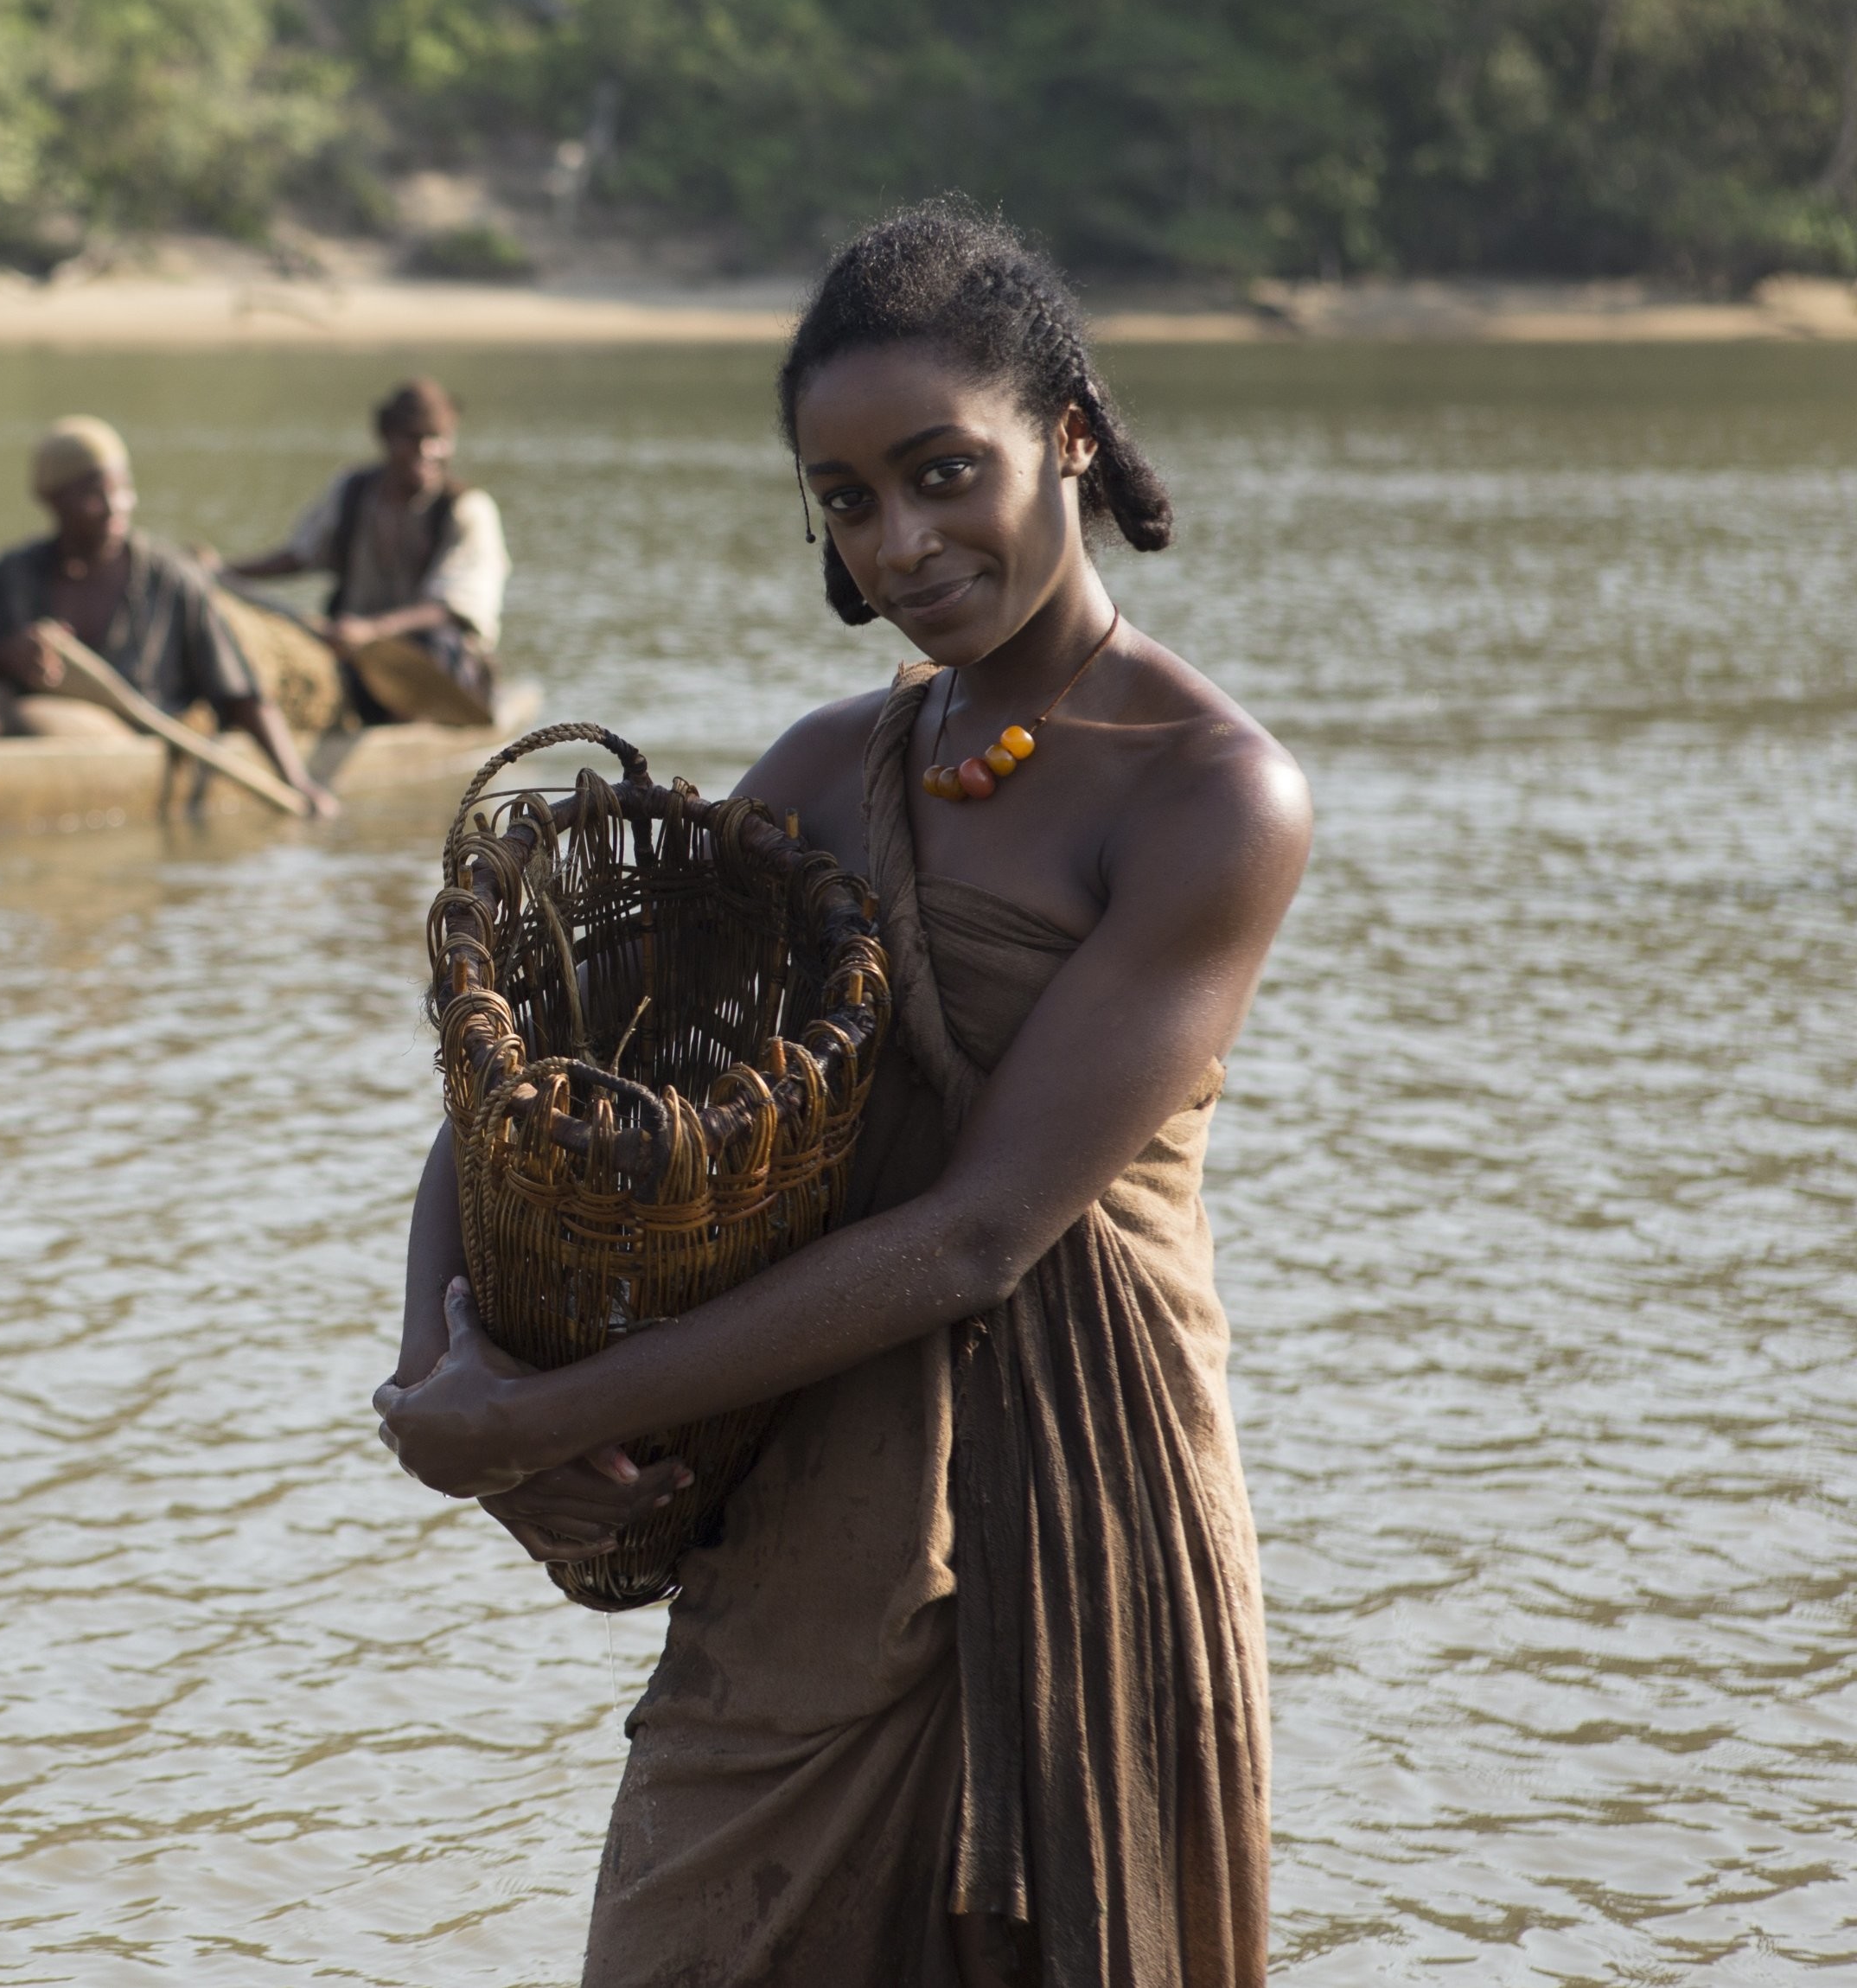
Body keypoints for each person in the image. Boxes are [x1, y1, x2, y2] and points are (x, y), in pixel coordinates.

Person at [373, 205, 1308, 1987]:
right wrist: (455, 1378)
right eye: (845, 497)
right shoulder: (825, 767)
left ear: (1070, 437)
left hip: (1077, 1505)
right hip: (807, 1515)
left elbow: (971, 1239)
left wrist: (526, 1425)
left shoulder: (1210, 799)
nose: (900, 538)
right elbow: (533, 1100)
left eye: (942, 471)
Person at [0, 416, 341, 817]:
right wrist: (10, 655)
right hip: (39, 731)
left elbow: (241, 695)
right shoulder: (15, 574)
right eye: (93, 494)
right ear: (53, 500)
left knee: (39, 722)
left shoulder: (172, 579)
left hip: (140, 733)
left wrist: (298, 781)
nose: (115, 508)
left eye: (123, 490)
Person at [219, 377, 507, 726]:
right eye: (413, 439)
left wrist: (373, 630)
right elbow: (299, 556)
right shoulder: (353, 492)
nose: (427, 452)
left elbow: (452, 608)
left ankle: (409, 729)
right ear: (387, 438)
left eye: (438, 441)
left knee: (435, 644)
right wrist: (225, 572)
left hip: (432, 669)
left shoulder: (466, 510)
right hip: (353, 648)